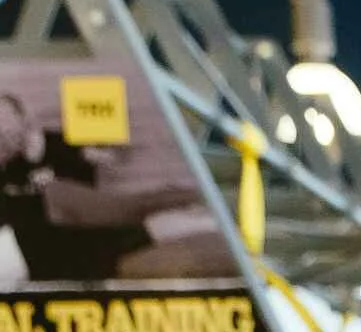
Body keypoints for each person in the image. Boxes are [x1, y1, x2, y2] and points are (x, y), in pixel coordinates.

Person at [0, 91, 223, 282]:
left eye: (7, 121)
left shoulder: (50, 143)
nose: (5, 130)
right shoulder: (12, 163)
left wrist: (102, 152)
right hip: (47, 233)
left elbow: (104, 156)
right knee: (132, 232)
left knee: (131, 210)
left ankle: (204, 197)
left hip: (51, 208)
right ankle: (207, 217)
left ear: (23, 118)